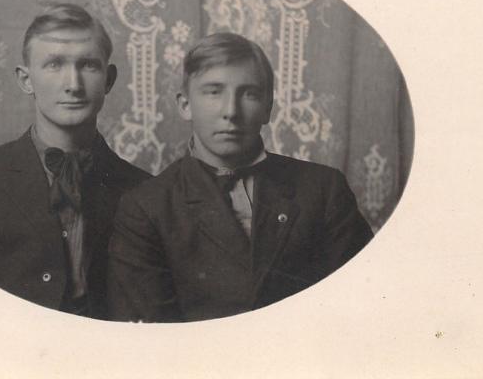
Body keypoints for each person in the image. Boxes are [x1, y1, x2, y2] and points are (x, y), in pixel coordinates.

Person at [107, 32, 373, 322]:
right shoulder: (147, 207)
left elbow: (358, 304)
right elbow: (152, 336)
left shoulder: (323, 191)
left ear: (268, 108)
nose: (230, 111)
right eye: (213, 92)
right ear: (185, 105)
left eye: (249, 94)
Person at [0, 4, 150, 319]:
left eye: (88, 65)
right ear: (25, 80)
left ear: (108, 79)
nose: (73, 84)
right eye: (54, 64)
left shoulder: (146, 192)